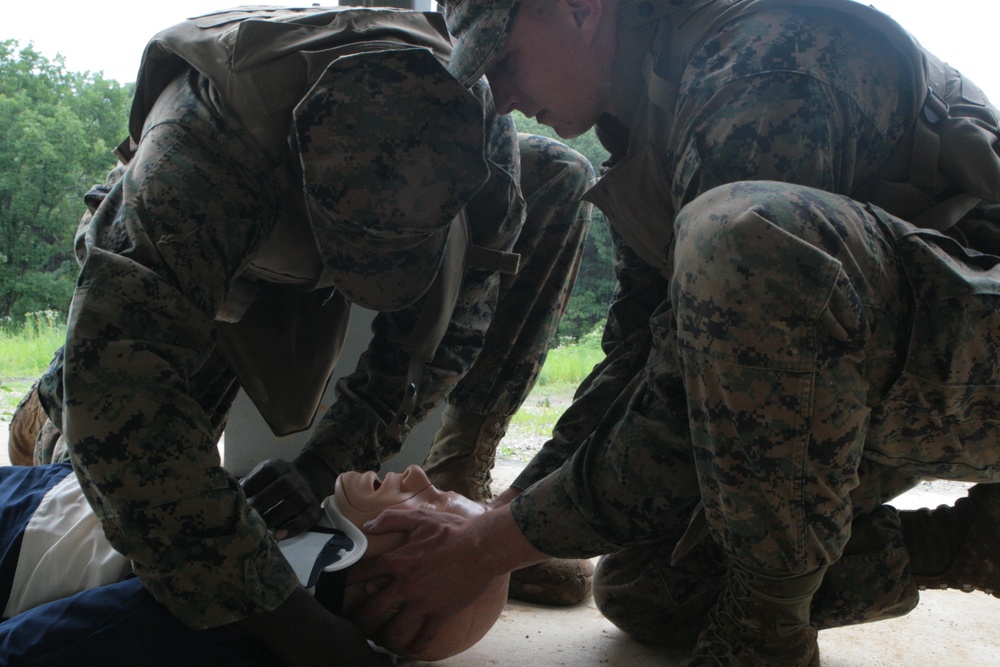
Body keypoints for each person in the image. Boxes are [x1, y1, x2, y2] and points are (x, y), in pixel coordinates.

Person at [349, 0, 1000, 664]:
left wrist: (492, 543)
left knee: (738, 237)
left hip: (973, 360)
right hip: (891, 374)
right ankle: (975, 541)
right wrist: (509, 512)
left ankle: (765, 638)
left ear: (581, 9)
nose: (506, 98)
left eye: (507, 59)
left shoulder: (761, 64)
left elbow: (704, 388)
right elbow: (642, 355)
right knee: (648, 584)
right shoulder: (644, 135)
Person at [3, 3, 595, 663]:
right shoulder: (200, 149)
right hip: (212, 241)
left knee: (161, 541)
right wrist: (289, 623)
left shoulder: (477, 149)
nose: (418, 480)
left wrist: (325, 463)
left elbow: (431, 352)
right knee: (125, 484)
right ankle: (45, 411)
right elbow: (119, 374)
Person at [0, 464, 506, 664]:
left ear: (392, 583)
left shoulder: (217, 619)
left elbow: (23, 649)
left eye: (435, 505)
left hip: (26, 531)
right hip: (52, 491)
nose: (419, 472)